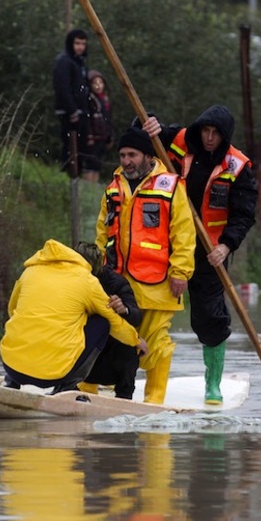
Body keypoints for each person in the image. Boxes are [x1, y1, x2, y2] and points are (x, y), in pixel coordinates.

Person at [143, 106, 258, 405]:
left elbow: (244, 215)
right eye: (205, 131)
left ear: (225, 137)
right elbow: (145, 133)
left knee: (209, 317)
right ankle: (132, 377)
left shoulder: (239, 166)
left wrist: (226, 246)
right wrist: (148, 124)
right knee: (148, 309)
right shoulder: (181, 140)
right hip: (167, 245)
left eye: (215, 134)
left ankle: (213, 384)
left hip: (210, 252)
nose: (208, 138)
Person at [95, 126, 196, 405]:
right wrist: (96, 272)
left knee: (156, 346)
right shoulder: (113, 187)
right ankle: (83, 396)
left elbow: (184, 234)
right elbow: (101, 235)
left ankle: (154, 403)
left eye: (132, 155)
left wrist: (180, 272)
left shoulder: (171, 186)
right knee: (100, 338)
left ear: (148, 156)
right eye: (122, 155)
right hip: (116, 282)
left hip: (157, 284)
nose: (126, 161)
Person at [0, 238, 148, 394]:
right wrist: (135, 340)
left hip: (11, 367)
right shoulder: (86, 280)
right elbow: (115, 323)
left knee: (21, 319)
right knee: (102, 323)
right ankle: (67, 386)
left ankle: (11, 382)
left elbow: (12, 310)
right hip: (55, 375)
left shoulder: (29, 272)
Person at [74, 241, 143, 399]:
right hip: (78, 349)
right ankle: (65, 387)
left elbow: (136, 316)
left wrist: (123, 309)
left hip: (109, 354)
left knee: (129, 345)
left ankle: (124, 395)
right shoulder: (65, 280)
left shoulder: (115, 282)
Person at [52, 29, 99, 183]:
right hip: (70, 113)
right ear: (71, 43)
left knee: (81, 149)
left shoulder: (79, 63)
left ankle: (75, 182)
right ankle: (68, 181)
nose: (80, 47)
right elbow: (62, 88)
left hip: (81, 112)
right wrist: (72, 111)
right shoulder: (64, 61)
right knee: (70, 147)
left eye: (83, 44)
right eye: (77, 43)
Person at [87, 69, 114, 175]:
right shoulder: (89, 99)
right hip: (92, 137)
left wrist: (110, 136)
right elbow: (87, 120)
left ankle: (93, 187)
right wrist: (89, 136)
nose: (98, 86)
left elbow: (109, 119)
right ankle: (88, 186)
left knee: (98, 163)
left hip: (103, 137)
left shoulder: (105, 100)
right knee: (90, 163)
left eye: (100, 83)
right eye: (95, 83)